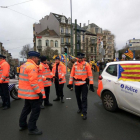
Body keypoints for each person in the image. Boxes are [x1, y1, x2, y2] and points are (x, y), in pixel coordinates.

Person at [18, 51, 46, 135]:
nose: (38, 60)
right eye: (37, 58)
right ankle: (32, 128)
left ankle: (22, 125)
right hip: (33, 93)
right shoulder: (32, 67)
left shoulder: (24, 65)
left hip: (26, 93)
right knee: (35, 111)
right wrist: (39, 92)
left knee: (26, 109)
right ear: (33, 58)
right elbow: (33, 82)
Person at [67, 53, 94, 120]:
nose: (80, 59)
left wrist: (91, 84)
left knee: (84, 98)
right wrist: (70, 84)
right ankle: (80, 108)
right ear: (77, 58)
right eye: (79, 58)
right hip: (76, 84)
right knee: (78, 97)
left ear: (83, 58)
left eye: (81, 58)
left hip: (84, 84)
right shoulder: (75, 65)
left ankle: (84, 112)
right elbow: (71, 75)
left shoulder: (86, 64)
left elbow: (90, 74)